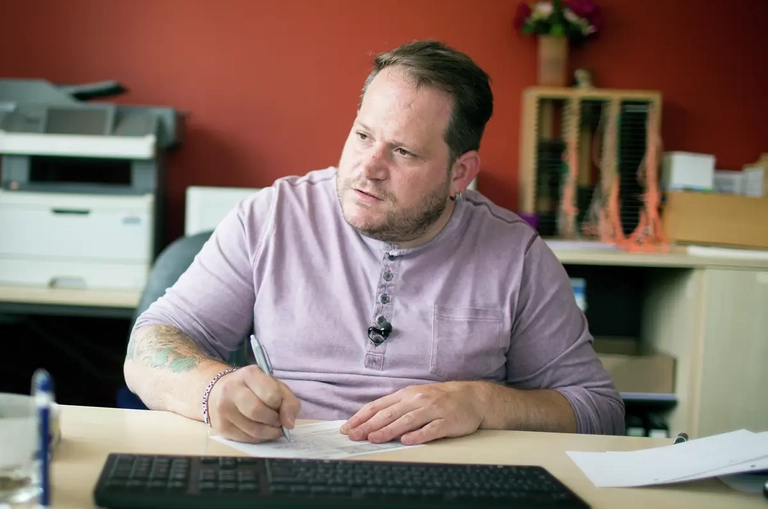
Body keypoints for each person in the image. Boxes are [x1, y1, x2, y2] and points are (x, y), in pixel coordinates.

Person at [124, 39, 625, 445]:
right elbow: (149, 346)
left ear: (460, 173)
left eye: (403, 152)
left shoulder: (516, 255)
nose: (368, 168)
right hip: (283, 465)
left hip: (441, 494)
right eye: (363, 136)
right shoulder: (272, 216)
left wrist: (483, 402)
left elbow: (600, 411)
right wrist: (213, 389)